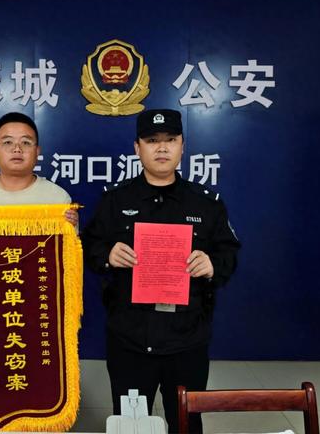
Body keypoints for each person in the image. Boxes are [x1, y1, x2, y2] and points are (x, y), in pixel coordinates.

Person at [81, 108, 240, 433]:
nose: (162, 148)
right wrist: (108, 254)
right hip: (129, 337)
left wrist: (212, 265)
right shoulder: (115, 200)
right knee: (131, 425)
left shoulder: (206, 203)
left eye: (170, 140)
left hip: (186, 338)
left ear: (182, 146)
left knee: (186, 423)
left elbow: (229, 251)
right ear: (137, 148)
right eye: (152, 140)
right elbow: (89, 245)